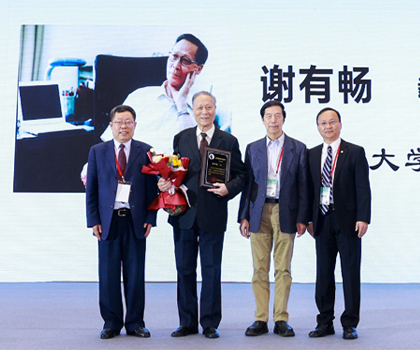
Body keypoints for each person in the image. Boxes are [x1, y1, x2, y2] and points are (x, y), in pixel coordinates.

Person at [158, 91, 246, 339]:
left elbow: (242, 175)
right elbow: (173, 172)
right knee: (184, 269)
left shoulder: (228, 140)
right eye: (199, 108)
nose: (204, 112)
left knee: (211, 270)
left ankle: (209, 322)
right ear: (193, 110)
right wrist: (164, 183)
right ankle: (187, 322)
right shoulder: (181, 138)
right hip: (183, 213)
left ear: (215, 109)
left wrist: (229, 188)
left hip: (213, 213)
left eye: (209, 107)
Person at [86, 105, 158, 340]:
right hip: (108, 222)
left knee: (135, 274)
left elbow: (151, 191)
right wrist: (93, 219)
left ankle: (136, 322)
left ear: (135, 125)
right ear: (111, 126)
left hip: (135, 221)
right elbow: (92, 190)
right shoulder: (97, 151)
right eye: (119, 122)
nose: (124, 126)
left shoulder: (146, 151)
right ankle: (111, 322)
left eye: (128, 122)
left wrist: (150, 218)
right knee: (107, 275)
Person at [238, 100, 308, 337]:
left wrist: (302, 217)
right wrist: (243, 216)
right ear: (263, 120)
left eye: (278, 116)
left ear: (284, 119)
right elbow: (248, 185)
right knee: (259, 268)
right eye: (269, 116)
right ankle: (260, 319)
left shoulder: (298, 148)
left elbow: (303, 186)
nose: (273, 120)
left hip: (285, 212)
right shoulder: (253, 147)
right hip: (258, 213)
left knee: (283, 268)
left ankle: (280, 318)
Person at [306, 107, 371, 340]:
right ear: (318, 127)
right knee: (323, 273)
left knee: (350, 272)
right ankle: (324, 322)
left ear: (340, 125)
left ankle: (350, 323)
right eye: (323, 123)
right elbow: (308, 191)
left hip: (349, 221)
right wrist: (308, 219)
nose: (328, 127)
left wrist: (363, 217)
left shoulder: (354, 152)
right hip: (321, 221)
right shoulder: (311, 154)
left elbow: (363, 188)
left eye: (332, 122)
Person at [99, 33, 209, 154]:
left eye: (185, 60)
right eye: (174, 56)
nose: (175, 66)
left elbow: (194, 155)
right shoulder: (139, 96)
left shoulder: (203, 112)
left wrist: (181, 105)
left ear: (198, 69)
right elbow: (109, 143)